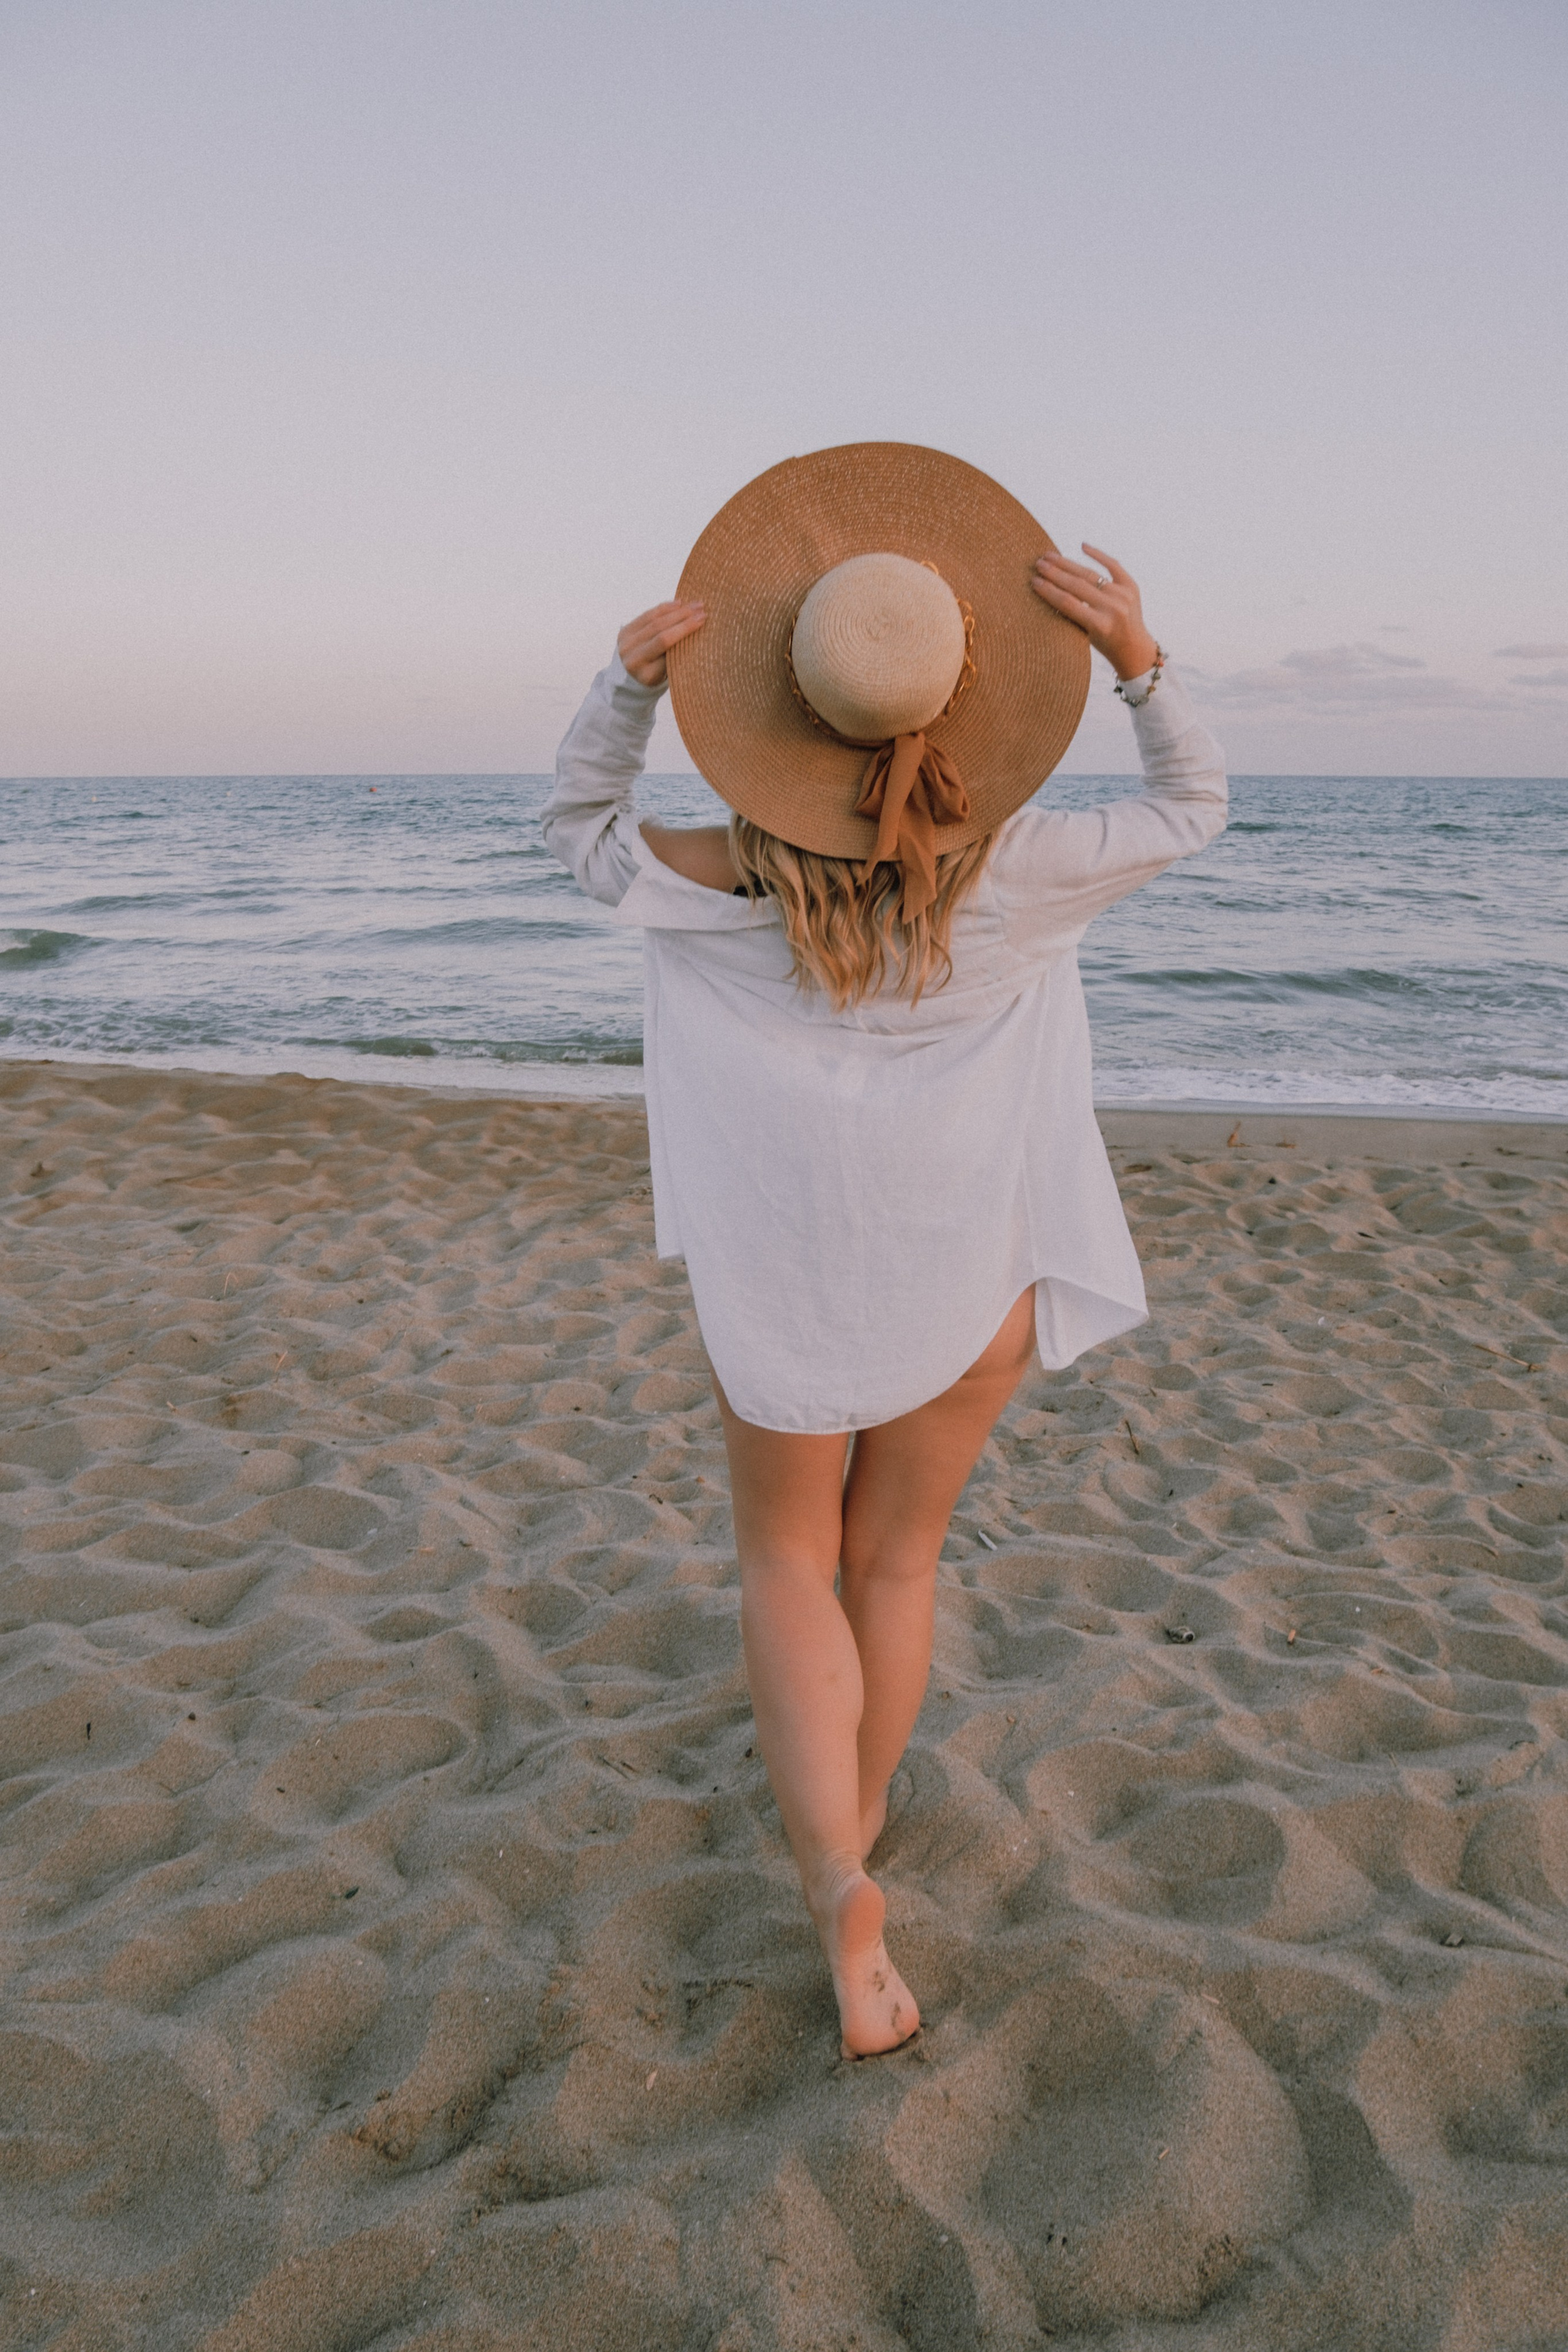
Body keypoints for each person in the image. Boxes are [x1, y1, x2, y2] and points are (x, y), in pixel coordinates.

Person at [542, 444, 1226, 2058]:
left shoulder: (711, 883)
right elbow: (1197, 808)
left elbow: (576, 828)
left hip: (783, 1277)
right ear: (968, 695)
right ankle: (854, 1831)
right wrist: (1139, 661)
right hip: (968, 1277)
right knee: (895, 1564)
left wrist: (624, 691)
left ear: (783, 712)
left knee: (788, 1560)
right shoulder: (1031, 875)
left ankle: (839, 1876)